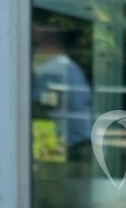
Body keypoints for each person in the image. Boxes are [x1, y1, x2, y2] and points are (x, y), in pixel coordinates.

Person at [32, 26, 91, 154]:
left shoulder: (50, 70)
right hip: (79, 138)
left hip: (67, 143)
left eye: (35, 43)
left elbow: (40, 108)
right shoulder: (71, 67)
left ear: (48, 42)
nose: (34, 50)